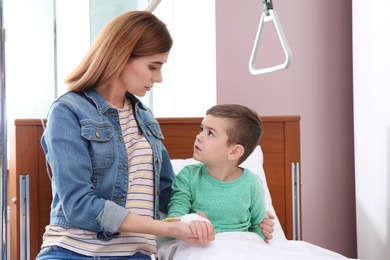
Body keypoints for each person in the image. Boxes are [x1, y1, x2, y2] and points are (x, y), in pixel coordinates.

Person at [35, 11, 274, 260]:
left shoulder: (145, 117)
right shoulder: (69, 110)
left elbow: (170, 193)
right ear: (121, 56)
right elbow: (78, 205)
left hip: (135, 254)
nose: (158, 78)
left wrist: (241, 222)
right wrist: (165, 228)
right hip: (72, 251)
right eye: (153, 66)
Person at [167, 104, 269, 241]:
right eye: (201, 129)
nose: (198, 136)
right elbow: (175, 218)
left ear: (234, 152)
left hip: (240, 247)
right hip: (200, 246)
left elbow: (260, 229)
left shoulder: (252, 183)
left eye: (210, 133)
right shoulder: (188, 177)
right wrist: (192, 221)